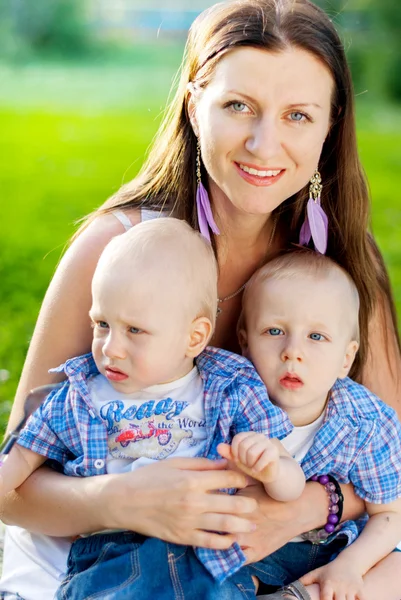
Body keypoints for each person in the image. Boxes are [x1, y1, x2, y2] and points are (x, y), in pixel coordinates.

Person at [1, 0, 400, 598]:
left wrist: (306, 507)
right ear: (194, 105)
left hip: (285, 551)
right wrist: (125, 501)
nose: (265, 145)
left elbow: (390, 461)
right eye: (239, 106)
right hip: (106, 554)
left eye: (298, 115)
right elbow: (13, 492)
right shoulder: (118, 248)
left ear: (331, 125)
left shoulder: (344, 264)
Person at [0, 217, 305, 599]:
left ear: (194, 337)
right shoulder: (80, 395)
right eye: (102, 323)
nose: (111, 347)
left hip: (208, 559)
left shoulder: (230, 388)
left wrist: (271, 466)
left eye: (135, 330)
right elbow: (16, 465)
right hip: (112, 558)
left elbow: (292, 486)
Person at [229, 249, 401, 599]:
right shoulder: (229, 401)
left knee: (396, 572)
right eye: (275, 330)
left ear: (346, 358)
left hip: (333, 549)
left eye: (316, 337)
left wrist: (351, 565)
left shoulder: (366, 420)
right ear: (245, 341)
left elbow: (390, 513)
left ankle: (303, 594)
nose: (293, 351)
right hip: (249, 554)